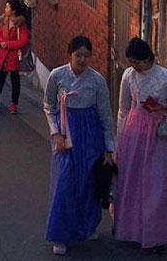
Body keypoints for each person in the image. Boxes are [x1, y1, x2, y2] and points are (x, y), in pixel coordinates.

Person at [43, 36, 116, 256]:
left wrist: (109, 148)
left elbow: (105, 113)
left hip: (91, 134)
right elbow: (49, 105)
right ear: (70, 55)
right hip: (66, 133)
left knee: (88, 183)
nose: (82, 60)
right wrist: (56, 133)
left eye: (86, 55)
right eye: (78, 55)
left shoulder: (97, 80)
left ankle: (87, 227)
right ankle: (60, 234)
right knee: (65, 183)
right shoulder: (57, 75)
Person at [113, 38, 167, 254]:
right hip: (133, 132)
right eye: (131, 62)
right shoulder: (128, 76)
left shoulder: (166, 77)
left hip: (157, 133)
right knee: (131, 181)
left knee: (156, 183)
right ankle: (129, 227)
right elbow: (123, 109)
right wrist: (119, 138)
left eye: (137, 62)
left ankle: (156, 234)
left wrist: (163, 107)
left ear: (148, 59)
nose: (134, 66)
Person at [0, 1, 30, 114]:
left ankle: (14, 103)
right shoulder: (4, 21)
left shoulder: (20, 24)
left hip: (13, 56)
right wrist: (0, 42)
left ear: (13, 11)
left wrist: (8, 44)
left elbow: (23, 41)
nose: (5, 9)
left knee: (15, 81)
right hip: (3, 55)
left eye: (7, 7)